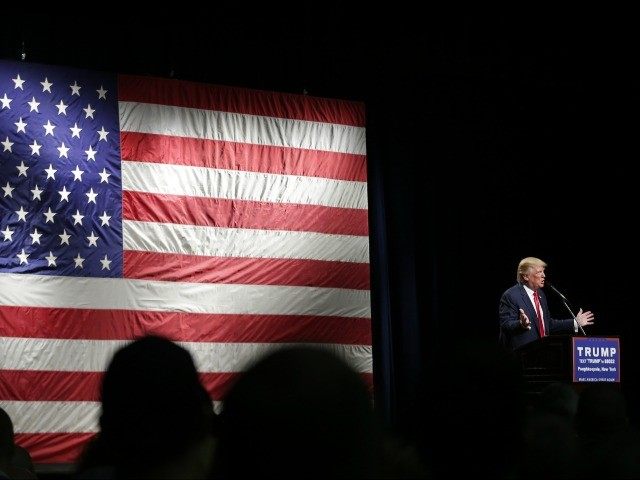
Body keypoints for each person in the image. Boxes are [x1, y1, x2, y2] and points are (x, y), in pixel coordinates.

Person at [499, 256, 594, 351]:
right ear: (525, 276)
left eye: (543, 272)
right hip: (522, 354)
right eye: (539, 272)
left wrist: (575, 322)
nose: (544, 275)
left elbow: (547, 324)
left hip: (543, 352)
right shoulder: (511, 295)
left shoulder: (540, 294)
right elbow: (506, 324)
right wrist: (521, 324)